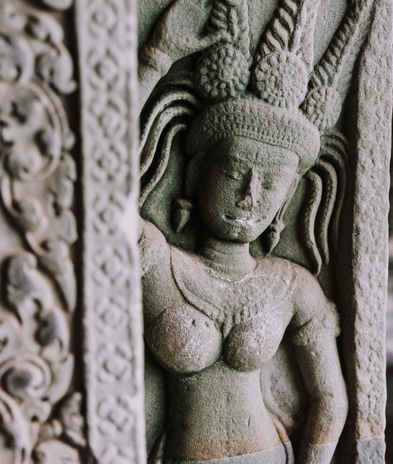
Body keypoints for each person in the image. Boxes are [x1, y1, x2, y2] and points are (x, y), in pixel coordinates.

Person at [137, 0, 350, 462]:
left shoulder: (291, 284)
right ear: (194, 176)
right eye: (235, 171)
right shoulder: (158, 263)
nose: (251, 194)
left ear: (286, 204)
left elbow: (330, 400)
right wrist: (154, 59)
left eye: (271, 184)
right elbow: (92, 191)